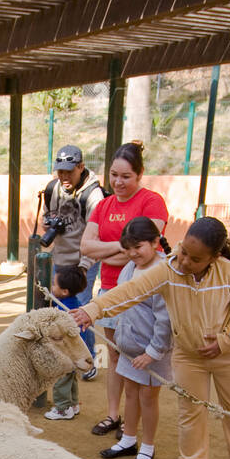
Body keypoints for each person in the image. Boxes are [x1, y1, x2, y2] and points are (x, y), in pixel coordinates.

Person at [73, 215, 230, 459]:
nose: (185, 261)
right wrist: (92, 310)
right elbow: (131, 291)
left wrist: (224, 341)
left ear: (213, 258)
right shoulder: (169, 269)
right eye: (184, 251)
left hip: (229, 354)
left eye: (195, 259)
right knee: (190, 412)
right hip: (188, 355)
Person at [80, 142, 168, 440]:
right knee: (114, 356)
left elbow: (148, 248)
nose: (118, 182)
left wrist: (109, 251)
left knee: (140, 359)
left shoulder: (152, 201)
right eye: (114, 175)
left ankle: (135, 428)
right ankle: (113, 415)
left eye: (126, 176)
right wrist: (123, 247)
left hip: (143, 291)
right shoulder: (103, 204)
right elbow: (86, 246)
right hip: (109, 287)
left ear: (140, 174)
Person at [98, 217, 172, 459]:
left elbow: (166, 319)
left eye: (138, 247)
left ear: (155, 242)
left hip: (153, 351)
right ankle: (128, 439)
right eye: (127, 249)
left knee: (148, 398)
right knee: (130, 392)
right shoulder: (129, 267)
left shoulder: (164, 271)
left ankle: (147, 447)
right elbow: (121, 302)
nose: (132, 253)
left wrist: (152, 353)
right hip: (129, 346)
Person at [39, 145, 105, 379]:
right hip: (60, 257)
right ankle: (63, 356)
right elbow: (45, 217)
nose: (64, 177)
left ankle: (89, 360)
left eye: (69, 171)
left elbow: (98, 235)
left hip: (83, 261)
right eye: (60, 172)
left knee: (80, 310)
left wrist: (84, 267)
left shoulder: (93, 196)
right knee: (58, 307)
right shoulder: (52, 189)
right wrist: (48, 225)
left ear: (81, 167)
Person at [43, 263, 91, 421]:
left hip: (67, 354)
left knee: (61, 380)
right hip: (75, 354)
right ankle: (73, 404)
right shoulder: (73, 302)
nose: (51, 286)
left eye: (54, 284)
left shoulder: (65, 309)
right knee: (71, 379)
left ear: (64, 291)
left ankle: (63, 408)